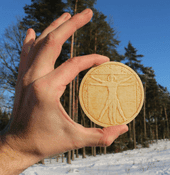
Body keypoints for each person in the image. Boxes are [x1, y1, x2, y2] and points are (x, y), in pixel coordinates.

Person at [0, 9, 128, 175]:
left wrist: (13, 148)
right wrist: (14, 148)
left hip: (115, 99)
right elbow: (102, 81)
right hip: (110, 100)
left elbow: (118, 81)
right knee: (106, 110)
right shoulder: (108, 83)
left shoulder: (115, 83)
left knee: (111, 109)